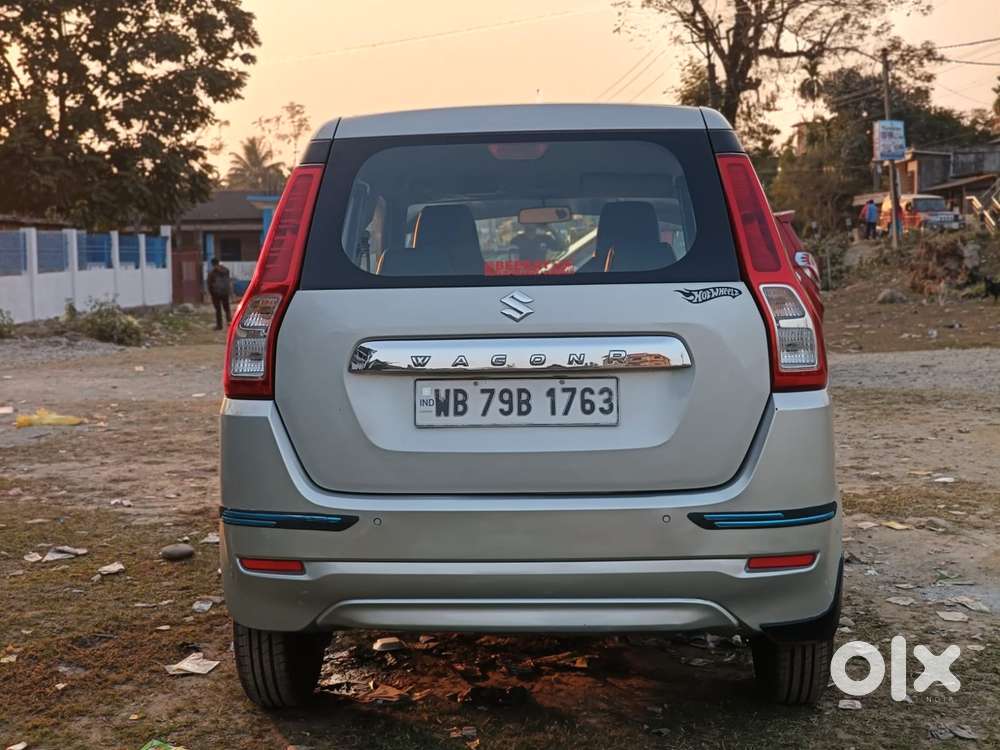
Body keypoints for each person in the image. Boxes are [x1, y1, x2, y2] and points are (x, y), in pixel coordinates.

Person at [206, 257, 232, 330]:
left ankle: (219, 326)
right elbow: (228, 280)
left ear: (212, 264)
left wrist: (211, 293)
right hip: (225, 292)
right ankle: (230, 324)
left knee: (218, 310)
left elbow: (209, 284)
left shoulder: (212, 273)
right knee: (227, 309)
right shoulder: (226, 270)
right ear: (218, 262)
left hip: (216, 294)